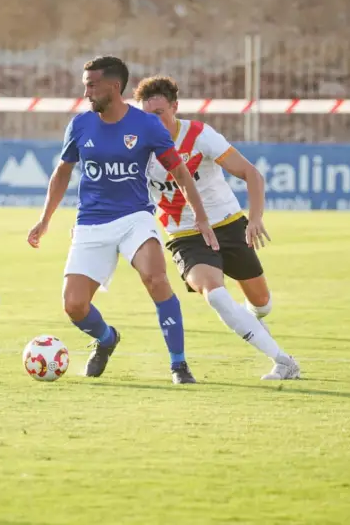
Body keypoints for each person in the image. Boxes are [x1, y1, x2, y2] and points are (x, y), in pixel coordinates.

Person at [27, 56, 218, 384]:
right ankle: (106, 338)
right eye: (85, 84)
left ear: (114, 87)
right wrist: (45, 220)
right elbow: (62, 172)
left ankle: (179, 365)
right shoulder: (80, 125)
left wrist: (200, 216)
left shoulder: (146, 126)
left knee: (156, 279)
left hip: (135, 218)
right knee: (74, 306)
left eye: (91, 84)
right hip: (91, 223)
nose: (86, 91)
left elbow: (180, 171)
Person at [134, 75, 300, 380]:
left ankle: (253, 321)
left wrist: (256, 218)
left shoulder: (199, 135)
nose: (151, 121)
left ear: (174, 107)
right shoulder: (136, 146)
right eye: (145, 115)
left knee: (262, 304)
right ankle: (283, 360)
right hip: (185, 236)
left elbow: (251, 174)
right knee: (216, 295)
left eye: (157, 114)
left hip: (229, 225)